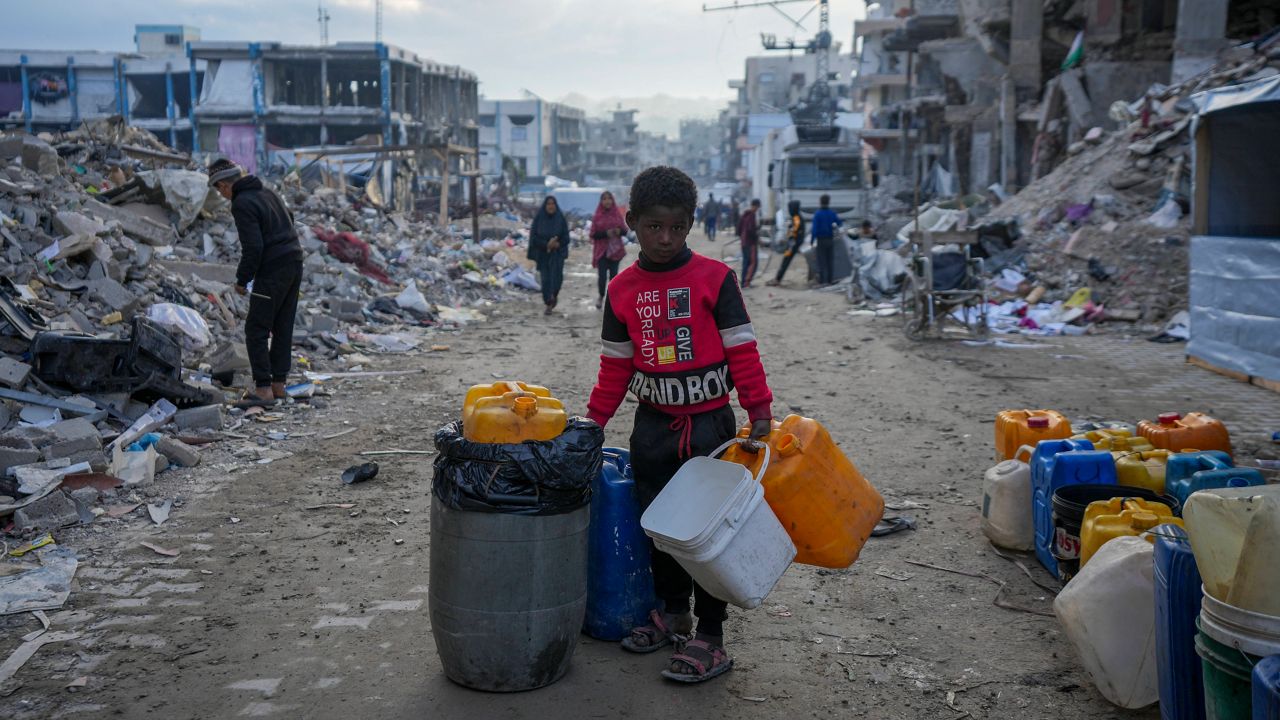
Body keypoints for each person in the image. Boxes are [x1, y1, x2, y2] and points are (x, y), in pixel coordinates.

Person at [586, 165, 774, 684]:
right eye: (653, 227)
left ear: (690, 223)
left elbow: (742, 349)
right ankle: (674, 613)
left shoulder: (717, 279)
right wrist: (592, 424)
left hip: (712, 427)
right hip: (652, 429)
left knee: (708, 535)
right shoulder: (621, 290)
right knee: (660, 528)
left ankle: (710, 637)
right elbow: (615, 367)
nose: (665, 239)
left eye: (676, 227)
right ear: (632, 222)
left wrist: (759, 410)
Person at [207, 159, 303, 406]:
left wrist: (242, 280)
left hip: (272, 270)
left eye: (219, 189)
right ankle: (278, 385)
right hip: (294, 261)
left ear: (226, 184)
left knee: (256, 329)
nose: (221, 194)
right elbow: (289, 218)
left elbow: (254, 247)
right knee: (283, 325)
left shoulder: (242, 202)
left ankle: (263, 389)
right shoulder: (267, 192)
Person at [527, 195, 570, 315]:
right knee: (545, 280)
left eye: (553, 204)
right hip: (543, 254)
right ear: (545, 206)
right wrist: (547, 244)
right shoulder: (539, 219)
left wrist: (557, 244)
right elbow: (534, 239)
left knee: (557, 279)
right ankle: (548, 303)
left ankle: (554, 295)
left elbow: (566, 237)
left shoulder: (560, 219)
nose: (551, 206)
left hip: (557, 254)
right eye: (548, 204)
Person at [589, 191, 628, 310]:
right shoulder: (597, 216)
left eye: (609, 198)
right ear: (601, 202)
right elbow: (593, 234)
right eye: (604, 199)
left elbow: (625, 230)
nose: (607, 201)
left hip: (615, 251)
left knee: (613, 277)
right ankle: (601, 296)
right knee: (601, 277)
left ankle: (612, 300)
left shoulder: (616, 214)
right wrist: (605, 233)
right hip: (602, 251)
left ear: (612, 201)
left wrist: (618, 232)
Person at [766, 200, 805, 287]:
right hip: (793, 243)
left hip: (793, 244)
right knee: (785, 261)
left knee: (785, 261)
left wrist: (789, 233)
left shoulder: (796, 218)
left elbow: (794, 231)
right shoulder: (797, 217)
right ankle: (777, 278)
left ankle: (777, 279)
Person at [811, 194, 842, 285]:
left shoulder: (817, 214)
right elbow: (839, 223)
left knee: (821, 261)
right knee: (830, 261)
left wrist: (812, 241)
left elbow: (814, 230)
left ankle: (823, 281)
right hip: (830, 239)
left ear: (820, 202)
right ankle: (830, 280)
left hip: (821, 240)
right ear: (829, 202)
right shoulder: (832, 213)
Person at [736, 198, 762, 288]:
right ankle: (746, 282)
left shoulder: (744, 215)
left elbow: (738, 229)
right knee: (753, 263)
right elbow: (751, 230)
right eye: (757, 207)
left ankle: (744, 282)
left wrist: (742, 237)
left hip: (744, 242)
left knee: (746, 262)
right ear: (755, 206)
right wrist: (757, 238)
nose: (757, 209)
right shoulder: (752, 215)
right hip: (750, 243)